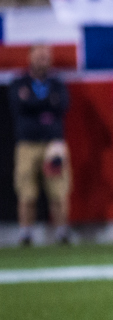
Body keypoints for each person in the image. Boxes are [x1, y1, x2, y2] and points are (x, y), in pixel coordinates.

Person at [8, 44, 71, 246]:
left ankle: (62, 232)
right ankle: (26, 233)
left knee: (58, 190)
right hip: (27, 145)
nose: (42, 59)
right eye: (39, 56)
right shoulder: (19, 82)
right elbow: (18, 106)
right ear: (30, 58)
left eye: (45, 56)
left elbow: (62, 105)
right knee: (26, 191)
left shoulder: (57, 83)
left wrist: (33, 103)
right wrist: (46, 104)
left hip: (54, 145)